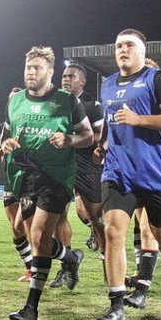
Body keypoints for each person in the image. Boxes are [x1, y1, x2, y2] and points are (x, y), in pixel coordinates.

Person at [96, 29, 161, 320]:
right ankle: (116, 307)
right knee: (112, 232)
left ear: (141, 51)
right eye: (118, 46)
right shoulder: (107, 84)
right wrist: (102, 144)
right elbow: (110, 122)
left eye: (129, 46)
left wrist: (138, 120)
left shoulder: (157, 80)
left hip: (155, 173)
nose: (123, 50)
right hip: (118, 172)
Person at [0, 46, 92, 320]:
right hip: (24, 177)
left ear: (50, 72)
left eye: (37, 68)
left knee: (38, 237)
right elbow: (6, 133)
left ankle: (31, 308)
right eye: (28, 68)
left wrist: (70, 140)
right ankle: (71, 257)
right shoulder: (14, 101)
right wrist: (5, 145)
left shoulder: (67, 101)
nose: (31, 72)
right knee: (39, 241)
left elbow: (88, 135)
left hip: (57, 176)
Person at [50, 62, 104, 288]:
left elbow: (100, 136)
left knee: (96, 219)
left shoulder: (92, 105)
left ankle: (108, 265)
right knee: (57, 217)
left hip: (86, 166)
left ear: (82, 81)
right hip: (60, 166)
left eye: (71, 76)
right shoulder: (53, 104)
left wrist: (72, 139)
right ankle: (67, 265)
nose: (65, 79)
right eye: (63, 76)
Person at [0, 101, 33, 283]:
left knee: (23, 226)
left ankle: (60, 255)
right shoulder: (1, 128)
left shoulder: (32, 125)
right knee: (16, 231)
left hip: (29, 181)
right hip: (10, 181)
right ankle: (31, 269)